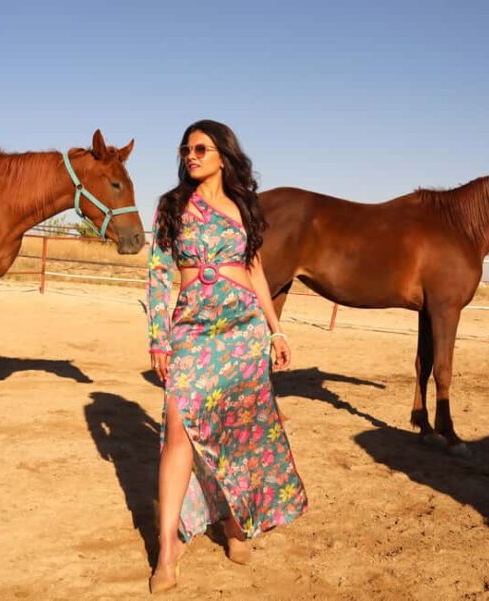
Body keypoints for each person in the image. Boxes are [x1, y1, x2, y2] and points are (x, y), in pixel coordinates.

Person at [146, 120, 308, 593]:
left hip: (243, 333)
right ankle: (165, 550)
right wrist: (159, 338)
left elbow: (255, 270)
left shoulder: (243, 207)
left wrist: (276, 330)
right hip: (192, 332)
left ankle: (235, 525)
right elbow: (158, 275)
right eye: (186, 149)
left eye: (201, 148)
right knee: (179, 429)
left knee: (236, 432)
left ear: (222, 155)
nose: (191, 155)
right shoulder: (172, 206)